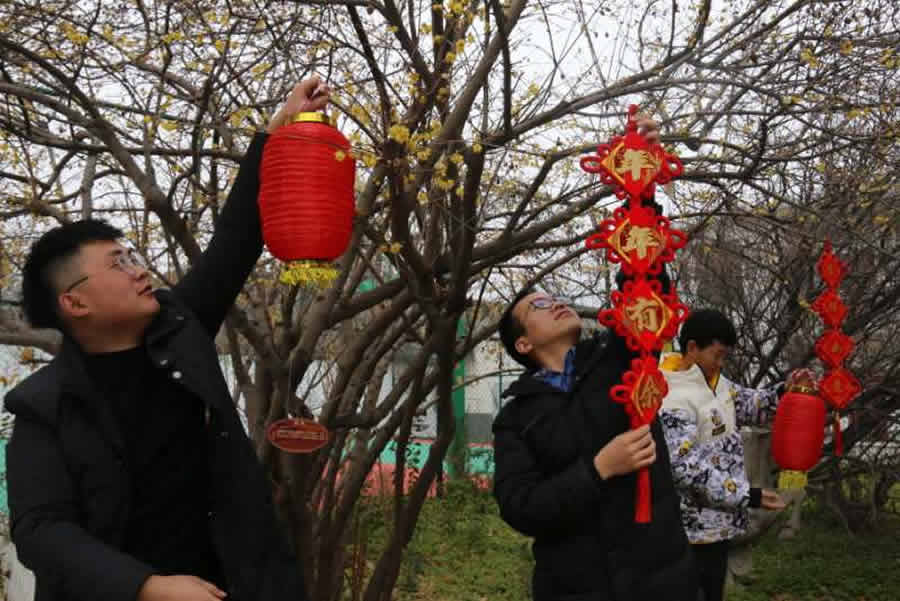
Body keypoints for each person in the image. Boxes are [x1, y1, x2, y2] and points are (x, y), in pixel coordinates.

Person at [5, 77, 329, 601]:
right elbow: (41, 531)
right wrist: (146, 587)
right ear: (75, 303)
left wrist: (277, 133)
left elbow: (235, 240)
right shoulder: (44, 408)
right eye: (118, 263)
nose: (139, 270)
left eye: (133, 255)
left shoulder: (181, 331)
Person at [492, 118, 698, 601]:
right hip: (577, 587)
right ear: (523, 344)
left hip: (661, 579)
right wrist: (598, 469)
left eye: (553, 296)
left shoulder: (616, 356)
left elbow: (646, 285)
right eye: (537, 307)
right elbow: (521, 507)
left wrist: (641, 189)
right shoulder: (516, 419)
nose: (555, 302)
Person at [658, 309, 792, 601]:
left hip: (717, 526)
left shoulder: (718, 384)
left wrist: (788, 390)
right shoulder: (671, 396)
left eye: (724, 357)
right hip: (687, 530)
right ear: (692, 347)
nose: (721, 363)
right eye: (717, 355)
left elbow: (753, 405)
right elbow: (685, 469)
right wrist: (748, 495)